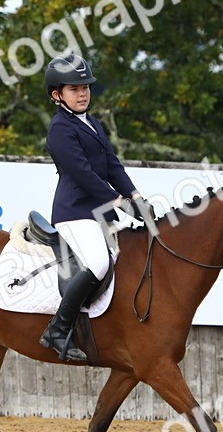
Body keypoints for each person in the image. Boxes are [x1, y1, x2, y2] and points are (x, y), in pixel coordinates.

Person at [40, 53, 147, 362]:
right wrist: (119, 201)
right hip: (74, 212)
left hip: (99, 212)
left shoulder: (93, 124)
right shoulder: (60, 129)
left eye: (85, 86)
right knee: (99, 263)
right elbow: (82, 173)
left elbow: (113, 167)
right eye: (74, 88)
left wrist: (136, 196)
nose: (83, 93)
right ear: (57, 95)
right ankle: (57, 330)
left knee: (123, 259)